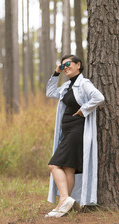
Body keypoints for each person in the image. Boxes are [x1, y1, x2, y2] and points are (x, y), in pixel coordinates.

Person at [45, 54, 104, 218]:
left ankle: (64, 198)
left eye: (69, 64)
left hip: (77, 131)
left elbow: (99, 97)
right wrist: (56, 73)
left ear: (78, 65)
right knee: (68, 169)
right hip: (68, 132)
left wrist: (84, 109)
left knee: (54, 165)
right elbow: (50, 92)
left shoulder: (84, 83)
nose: (66, 67)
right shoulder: (66, 86)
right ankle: (64, 207)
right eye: (63, 66)